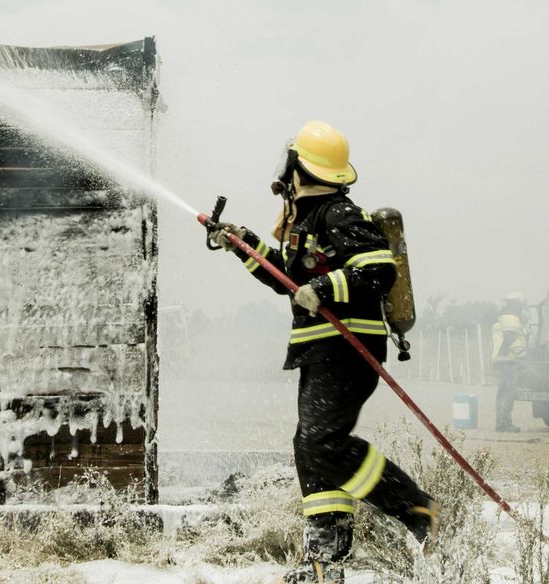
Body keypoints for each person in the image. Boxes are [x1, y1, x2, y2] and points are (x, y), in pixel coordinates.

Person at [209, 120, 437, 583]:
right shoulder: (305, 222)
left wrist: (324, 287)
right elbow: (285, 280)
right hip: (321, 352)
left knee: (322, 443)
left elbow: (378, 268)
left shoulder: (337, 213)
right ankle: (325, 561)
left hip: (348, 348)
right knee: (309, 447)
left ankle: (417, 508)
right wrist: (240, 242)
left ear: (299, 168)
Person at [491, 292, 528, 433]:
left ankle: (501, 422)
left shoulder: (504, 318)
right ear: (516, 305)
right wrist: (523, 354)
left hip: (503, 360)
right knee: (509, 392)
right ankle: (504, 423)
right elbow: (511, 339)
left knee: (503, 392)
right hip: (509, 361)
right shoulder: (511, 319)